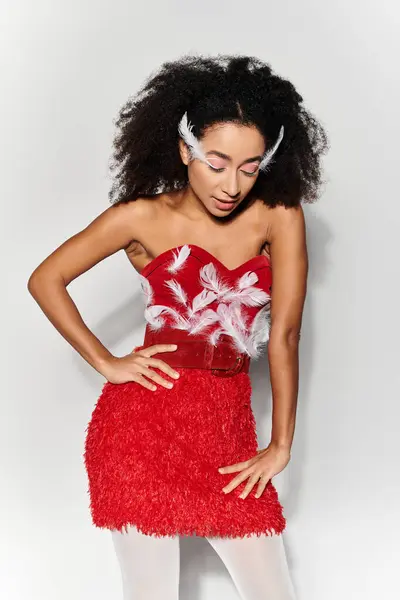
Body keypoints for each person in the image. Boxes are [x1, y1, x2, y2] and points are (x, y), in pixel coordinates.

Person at [27, 54, 328, 599]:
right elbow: (46, 279)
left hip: (229, 437)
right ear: (185, 149)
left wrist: (281, 442)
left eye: (249, 166)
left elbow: (284, 334)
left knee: (273, 591)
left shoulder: (279, 215)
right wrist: (107, 361)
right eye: (216, 162)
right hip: (138, 433)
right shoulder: (140, 217)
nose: (232, 184)